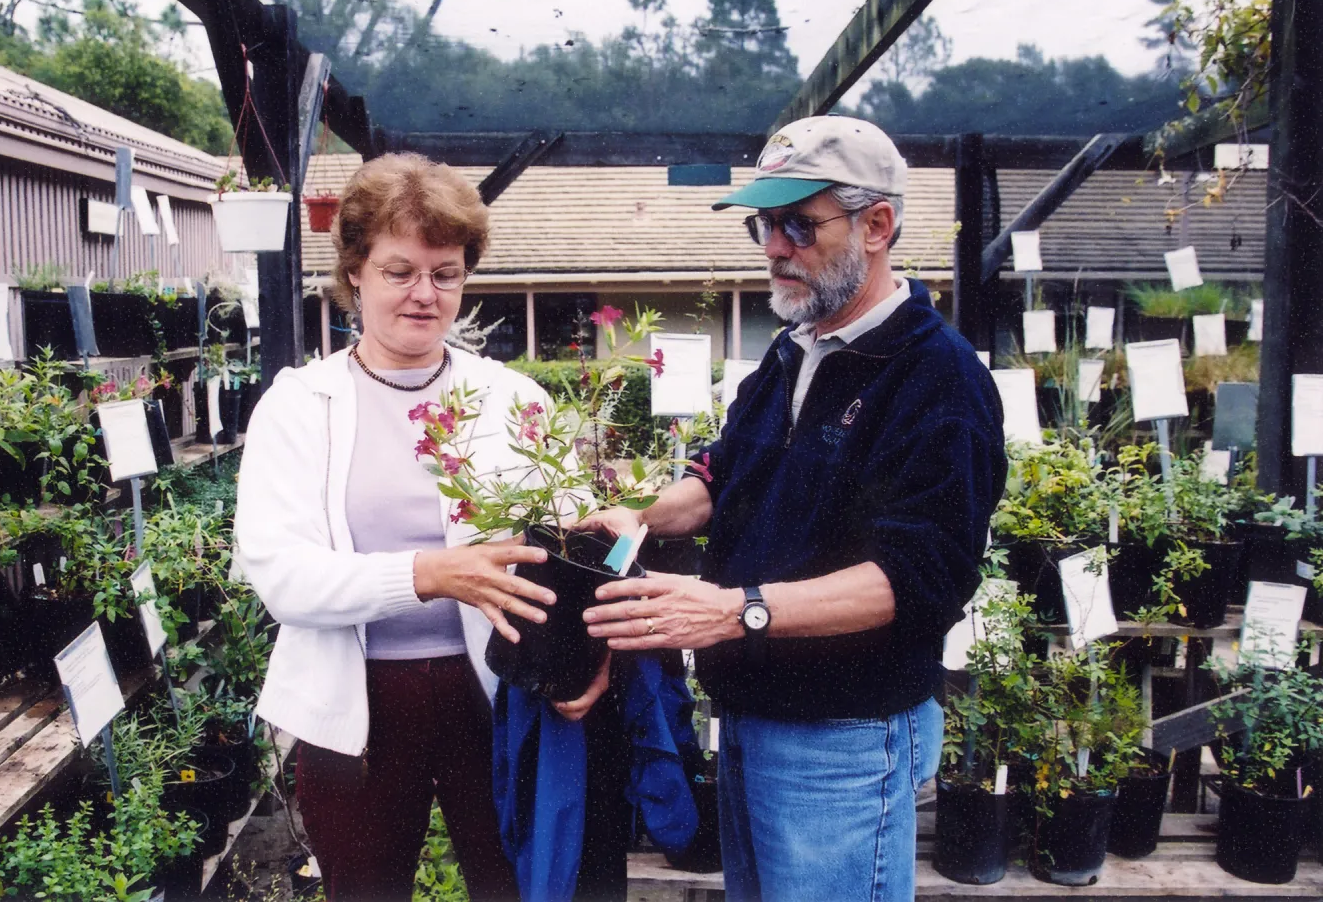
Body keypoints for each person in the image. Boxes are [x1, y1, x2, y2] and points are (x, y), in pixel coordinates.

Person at [577, 116, 1008, 902]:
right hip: (751, 716)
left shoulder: (937, 380)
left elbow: (922, 578)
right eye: (765, 224)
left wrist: (735, 611)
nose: (775, 246)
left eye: (799, 225)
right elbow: (721, 474)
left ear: (877, 225)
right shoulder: (793, 351)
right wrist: (641, 514)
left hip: (842, 738)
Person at [234, 153, 607, 902]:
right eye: (400, 270)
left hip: (496, 693)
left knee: (516, 886)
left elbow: (570, 549)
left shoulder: (510, 399)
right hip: (356, 710)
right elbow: (282, 578)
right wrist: (428, 574)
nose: (424, 294)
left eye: (446, 273)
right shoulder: (299, 406)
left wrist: (592, 659)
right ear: (356, 272)